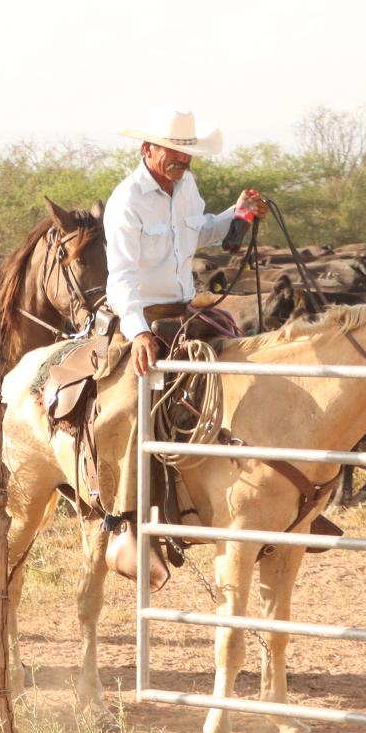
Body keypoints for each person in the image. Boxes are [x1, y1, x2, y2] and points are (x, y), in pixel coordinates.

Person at [95, 107, 267, 575]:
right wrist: (139, 332)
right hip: (142, 316)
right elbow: (121, 277)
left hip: (186, 312)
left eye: (186, 153)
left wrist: (239, 214)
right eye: (172, 151)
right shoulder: (126, 200)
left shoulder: (186, 188)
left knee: (249, 363)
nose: (180, 160)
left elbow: (203, 230)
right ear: (147, 149)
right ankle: (128, 523)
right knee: (135, 402)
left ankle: (269, 496)